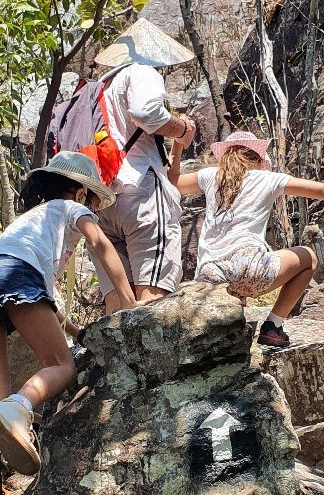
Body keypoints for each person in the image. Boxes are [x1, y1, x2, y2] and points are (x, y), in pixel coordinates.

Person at [0, 151, 137, 495]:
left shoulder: (29, 223)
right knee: (62, 366)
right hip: (14, 272)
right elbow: (102, 245)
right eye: (90, 199)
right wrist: (132, 303)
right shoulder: (70, 210)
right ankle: (19, 409)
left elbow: (45, 302)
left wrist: (75, 331)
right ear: (78, 192)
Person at [168, 131, 324, 348]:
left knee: (234, 304)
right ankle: (273, 327)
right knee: (308, 258)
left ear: (226, 157)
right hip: (251, 270)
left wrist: (177, 145)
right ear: (257, 159)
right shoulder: (267, 179)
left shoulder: (210, 176)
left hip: (209, 277)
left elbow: (173, 181)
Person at [89, 18, 197, 314]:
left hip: (99, 199)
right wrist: (181, 128)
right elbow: (146, 112)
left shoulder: (97, 88)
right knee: (153, 299)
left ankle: (114, 361)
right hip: (141, 193)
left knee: (117, 302)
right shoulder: (141, 71)